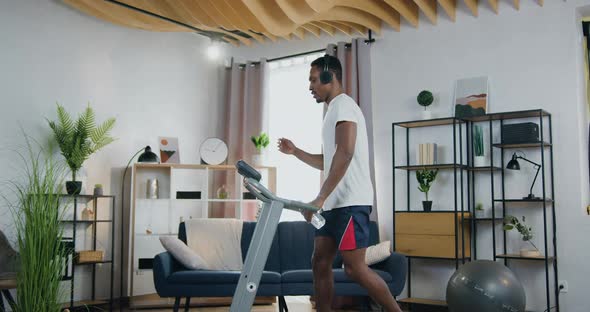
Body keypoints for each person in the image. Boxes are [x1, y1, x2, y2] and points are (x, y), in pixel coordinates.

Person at [277, 55, 402, 312]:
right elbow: (330, 160)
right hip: (335, 205)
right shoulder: (332, 110)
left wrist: (319, 198)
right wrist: (296, 152)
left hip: (350, 203)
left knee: (354, 269)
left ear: (329, 77)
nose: (310, 86)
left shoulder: (344, 106)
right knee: (320, 261)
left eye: (313, 80)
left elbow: (345, 153)